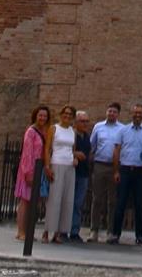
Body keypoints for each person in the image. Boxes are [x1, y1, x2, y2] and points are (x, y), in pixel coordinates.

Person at [110, 103, 142, 245]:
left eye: (140, 113)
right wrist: (116, 171)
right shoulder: (123, 130)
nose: (137, 115)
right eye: (135, 112)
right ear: (131, 114)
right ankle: (115, 234)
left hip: (141, 171)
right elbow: (117, 150)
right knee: (120, 203)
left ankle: (139, 235)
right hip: (125, 170)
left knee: (140, 205)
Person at [88, 102, 123, 243]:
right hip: (99, 165)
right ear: (106, 112)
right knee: (97, 199)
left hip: (114, 167)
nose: (111, 114)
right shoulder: (98, 127)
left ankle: (110, 231)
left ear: (118, 114)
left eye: (114, 112)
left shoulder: (122, 129)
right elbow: (92, 146)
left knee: (112, 201)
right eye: (109, 111)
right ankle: (94, 230)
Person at [14, 105, 50, 242]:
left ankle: (27, 231)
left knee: (33, 202)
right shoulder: (31, 131)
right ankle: (21, 231)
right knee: (25, 201)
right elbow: (27, 153)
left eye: (45, 116)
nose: (42, 118)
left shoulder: (44, 131)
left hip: (39, 170)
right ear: (35, 116)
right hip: (29, 170)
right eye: (40, 115)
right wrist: (28, 172)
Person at [43, 104, 78, 244]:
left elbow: (72, 150)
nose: (67, 116)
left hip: (69, 166)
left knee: (66, 200)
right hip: (56, 163)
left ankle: (58, 233)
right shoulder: (54, 128)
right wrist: (47, 166)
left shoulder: (72, 131)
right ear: (61, 114)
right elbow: (47, 149)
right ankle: (47, 231)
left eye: (70, 114)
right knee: (54, 199)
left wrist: (75, 159)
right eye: (65, 113)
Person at [68, 110, 92, 242]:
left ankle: (74, 230)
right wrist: (74, 154)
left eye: (86, 121)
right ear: (76, 122)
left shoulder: (87, 136)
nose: (85, 124)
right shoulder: (71, 135)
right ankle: (63, 229)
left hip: (83, 173)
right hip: (71, 172)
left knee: (78, 203)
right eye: (82, 121)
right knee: (68, 202)